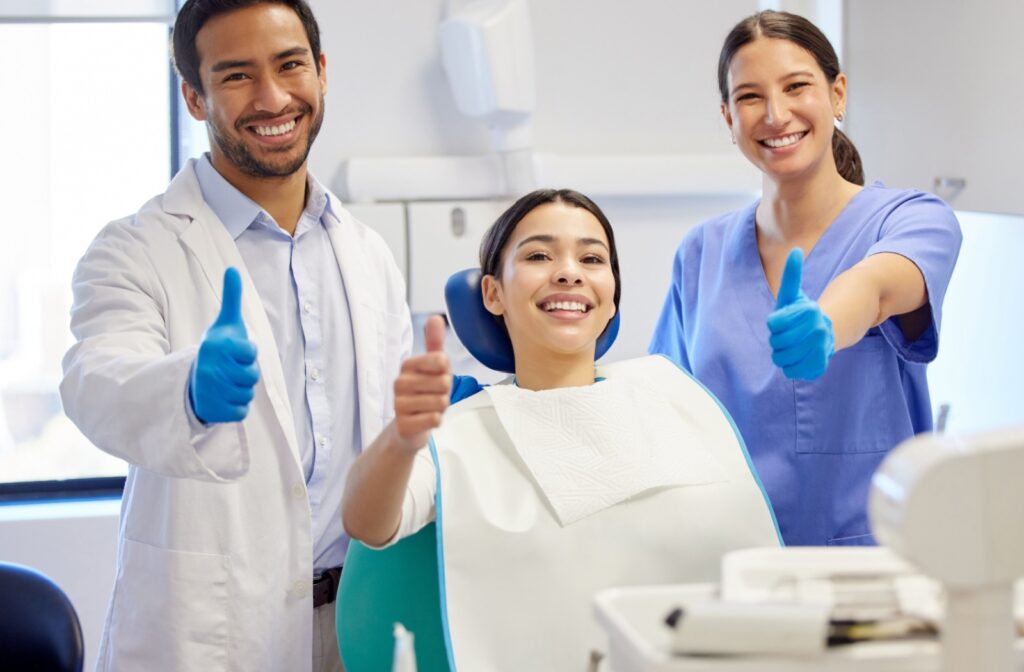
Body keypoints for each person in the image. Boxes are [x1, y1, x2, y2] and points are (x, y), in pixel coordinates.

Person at [59, 1, 410, 670]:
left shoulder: (366, 253)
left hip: (357, 619)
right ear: (194, 97)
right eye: (236, 76)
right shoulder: (135, 250)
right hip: (212, 631)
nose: (273, 97)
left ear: (323, 72)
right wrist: (186, 390)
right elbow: (94, 381)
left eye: (289, 65)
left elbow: (388, 439)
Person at [338, 189, 781, 671]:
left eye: (592, 258)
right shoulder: (459, 434)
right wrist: (401, 440)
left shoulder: (676, 399)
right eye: (538, 255)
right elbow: (369, 525)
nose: (569, 272)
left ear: (611, 298)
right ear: (493, 293)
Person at [649, 10, 962, 547]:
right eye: (749, 97)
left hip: (873, 569)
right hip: (731, 563)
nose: (775, 114)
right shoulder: (701, 252)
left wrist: (828, 321)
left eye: (797, 86)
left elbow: (878, 285)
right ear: (728, 118)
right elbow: (662, 409)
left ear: (837, 94)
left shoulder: (912, 219)